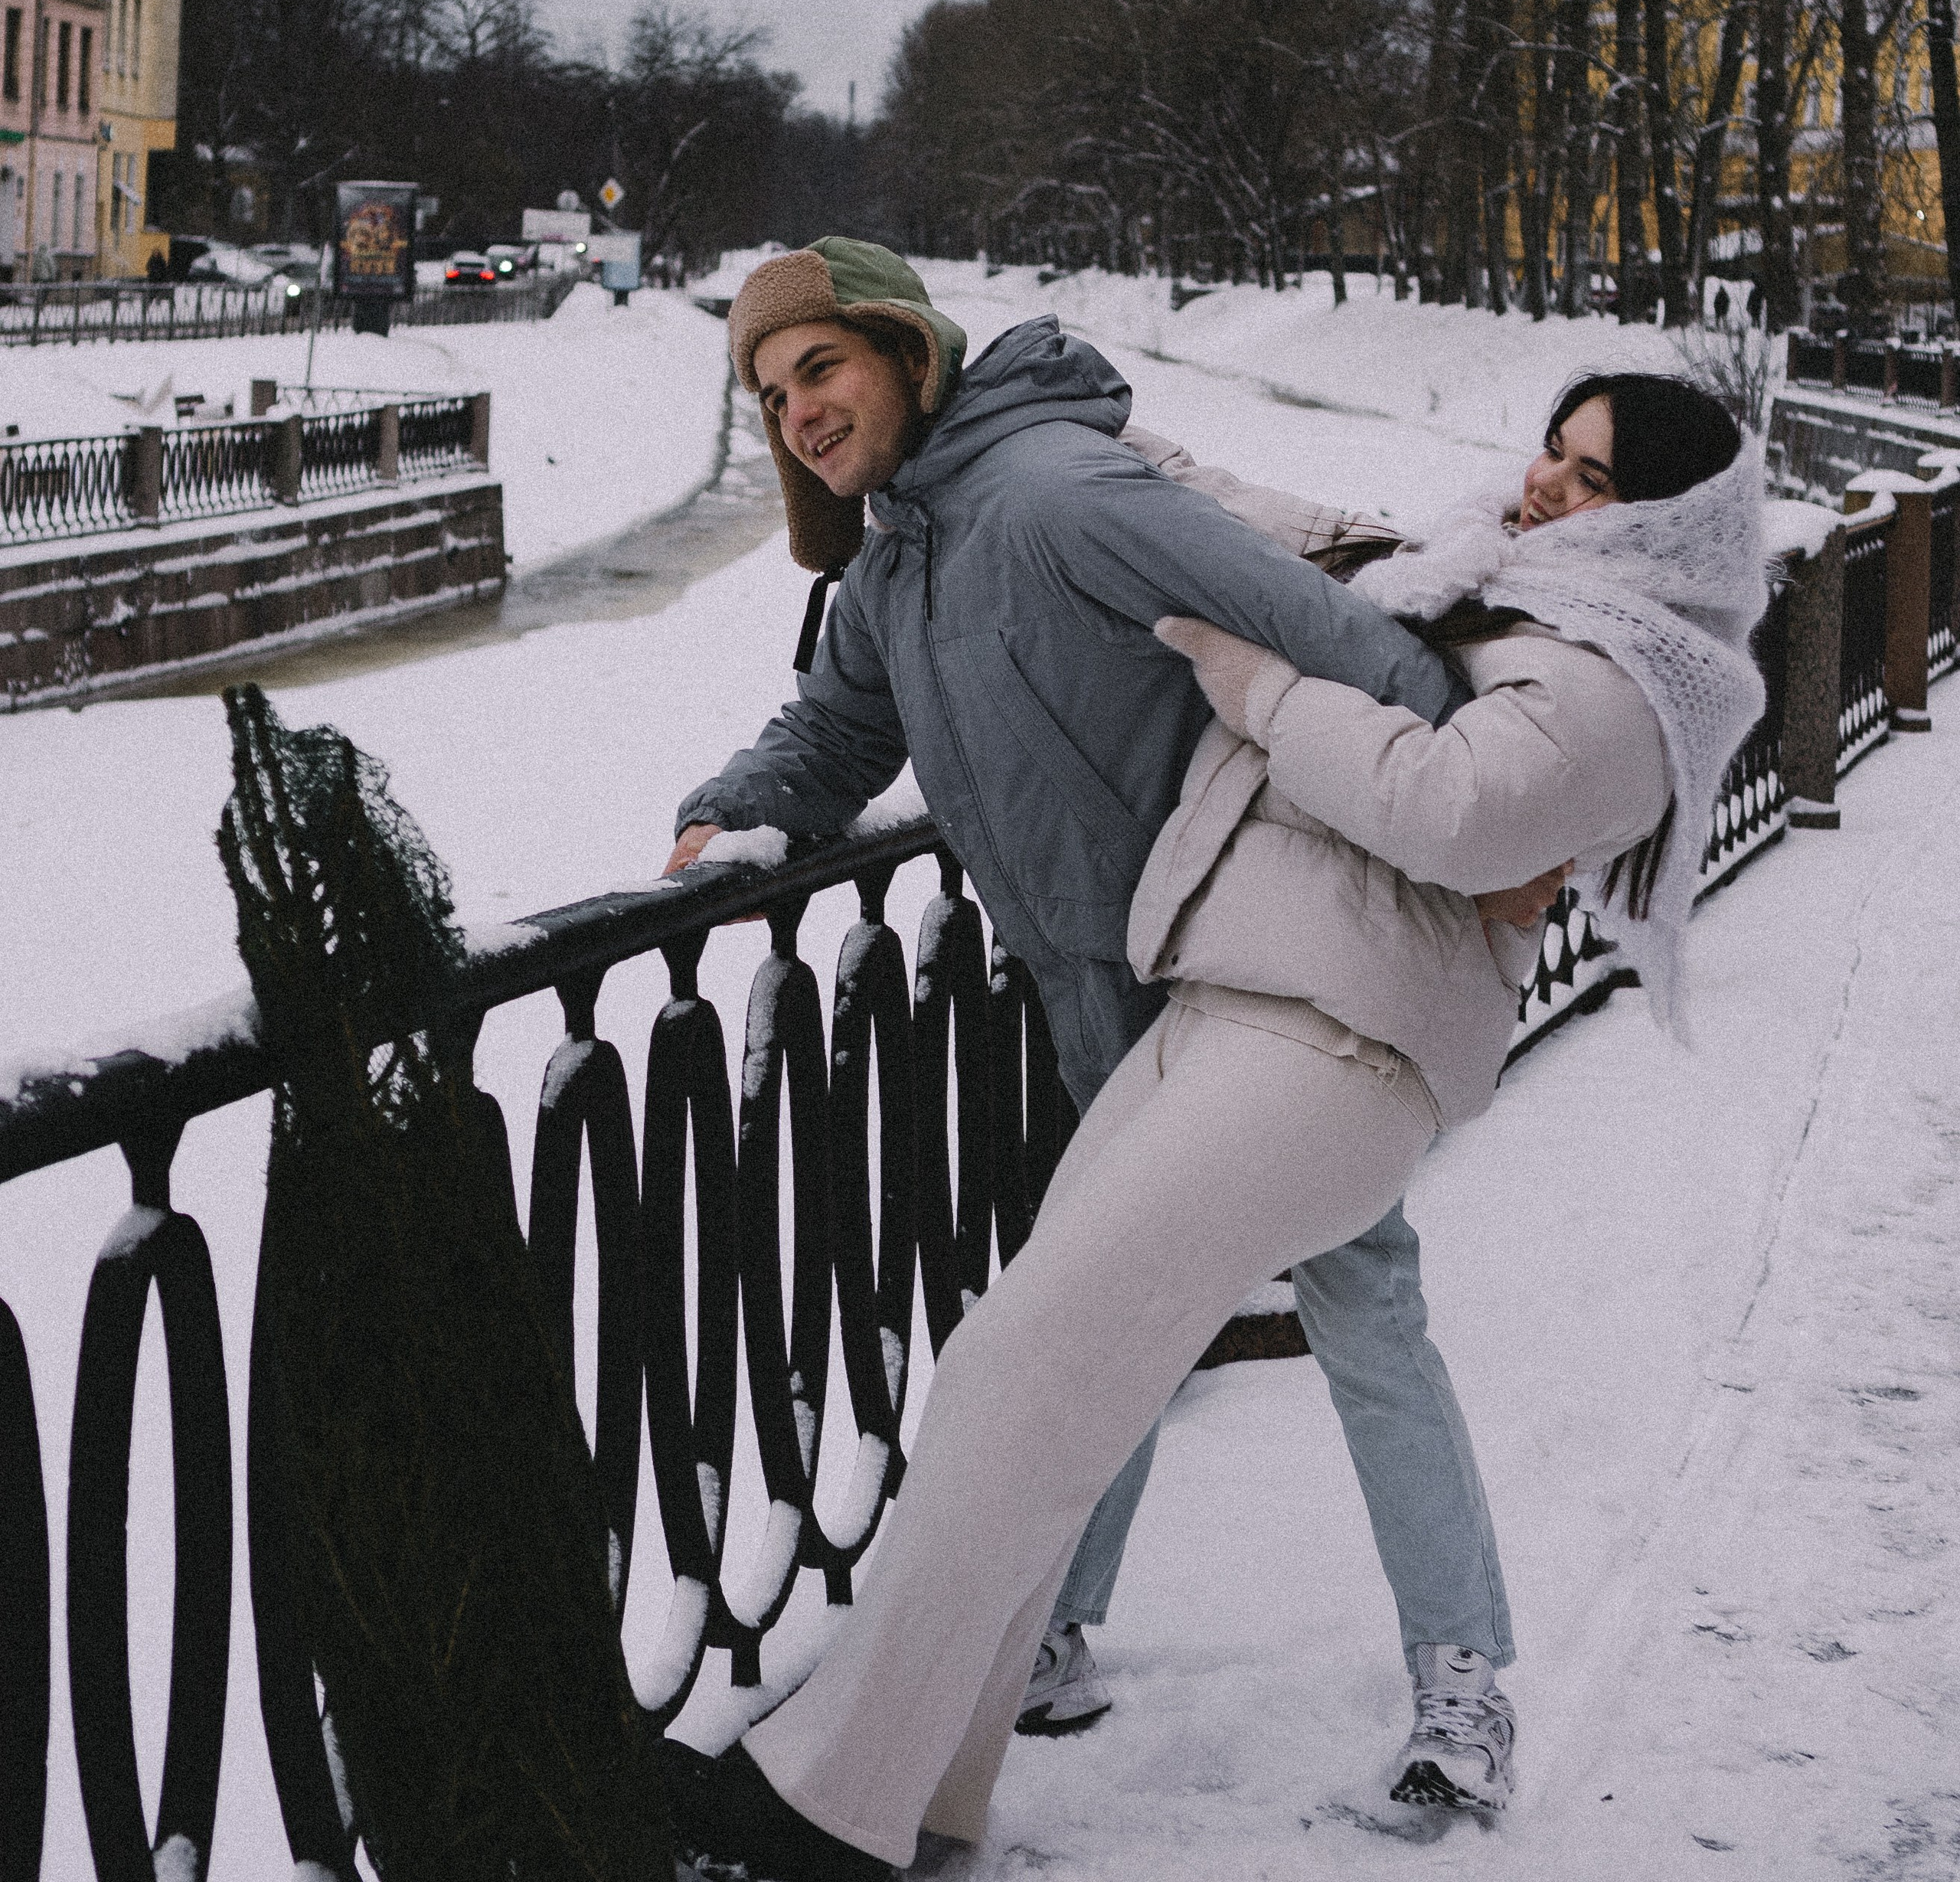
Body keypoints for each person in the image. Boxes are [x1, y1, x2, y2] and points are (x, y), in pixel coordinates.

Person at [664, 367, 1766, 1880]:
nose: (1541, 491)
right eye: (1547, 454)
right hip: (1224, 998)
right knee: (1047, 1396)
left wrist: (1261, 686)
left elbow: (1452, 812)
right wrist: (1066, 422)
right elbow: (1267, 527)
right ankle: (918, 1787)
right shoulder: (1461, 581)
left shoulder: (1625, 676)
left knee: (1019, 1368)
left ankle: (829, 1802)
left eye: (1588, 482)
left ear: (1664, 527)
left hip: (1333, 1047)